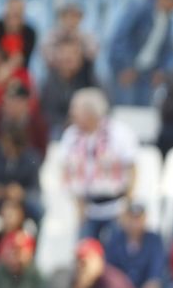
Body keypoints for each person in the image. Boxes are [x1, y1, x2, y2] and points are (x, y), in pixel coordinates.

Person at [59, 88, 137, 240]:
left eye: (76, 110)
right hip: (87, 207)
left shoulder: (119, 132)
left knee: (114, 254)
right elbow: (67, 172)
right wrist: (78, 205)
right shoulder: (70, 135)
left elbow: (132, 169)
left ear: (90, 113)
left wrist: (127, 204)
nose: (72, 114)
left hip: (116, 206)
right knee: (85, 251)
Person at [106, 0, 173, 105]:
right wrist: (123, 67)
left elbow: (167, 49)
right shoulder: (139, 8)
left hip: (148, 74)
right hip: (127, 70)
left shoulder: (168, 20)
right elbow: (120, 37)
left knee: (143, 114)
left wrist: (161, 70)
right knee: (124, 112)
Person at [101, 202, 168, 288]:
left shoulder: (154, 240)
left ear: (144, 219)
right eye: (131, 219)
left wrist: (153, 281)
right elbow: (110, 267)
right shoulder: (115, 239)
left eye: (138, 219)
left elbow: (157, 265)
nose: (135, 224)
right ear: (124, 219)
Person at [0, 123, 41, 220]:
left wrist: (22, 193)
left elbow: (35, 189)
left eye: (12, 147)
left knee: (38, 208)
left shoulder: (31, 158)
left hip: (20, 203)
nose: (8, 149)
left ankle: (32, 234)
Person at [38, 38, 99, 138]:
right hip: (60, 127)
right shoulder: (50, 81)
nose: (68, 57)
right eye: (64, 53)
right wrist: (69, 122)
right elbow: (48, 114)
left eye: (73, 53)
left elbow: (100, 104)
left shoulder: (88, 77)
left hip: (87, 125)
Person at [0, 0, 37, 69]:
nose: (13, 18)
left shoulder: (30, 33)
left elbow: (23, 61)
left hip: (18, 72)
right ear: (5, 12)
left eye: (17, 14)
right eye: (11, 13)